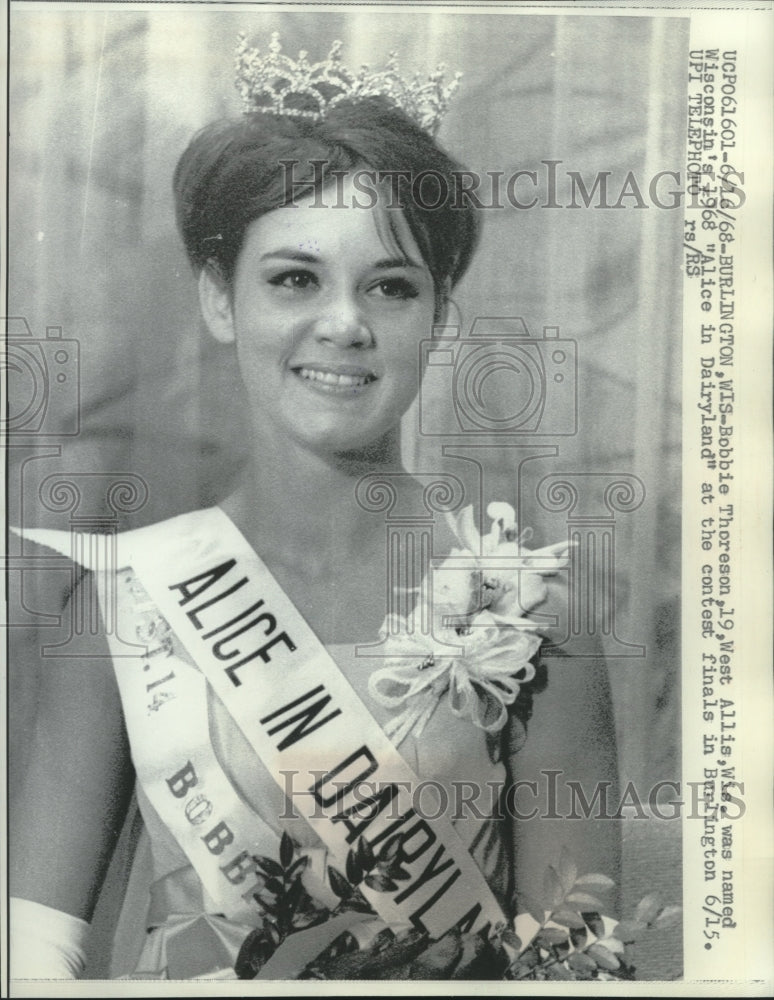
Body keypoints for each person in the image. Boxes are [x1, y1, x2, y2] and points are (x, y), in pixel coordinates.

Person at [10, 33, 620, 981]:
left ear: (439, 319)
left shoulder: (536, 622)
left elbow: (580, 969)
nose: (344, 323)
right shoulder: (121, 607)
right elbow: (27, 962)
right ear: (219, 300)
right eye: (295, 278)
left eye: (391, 286)